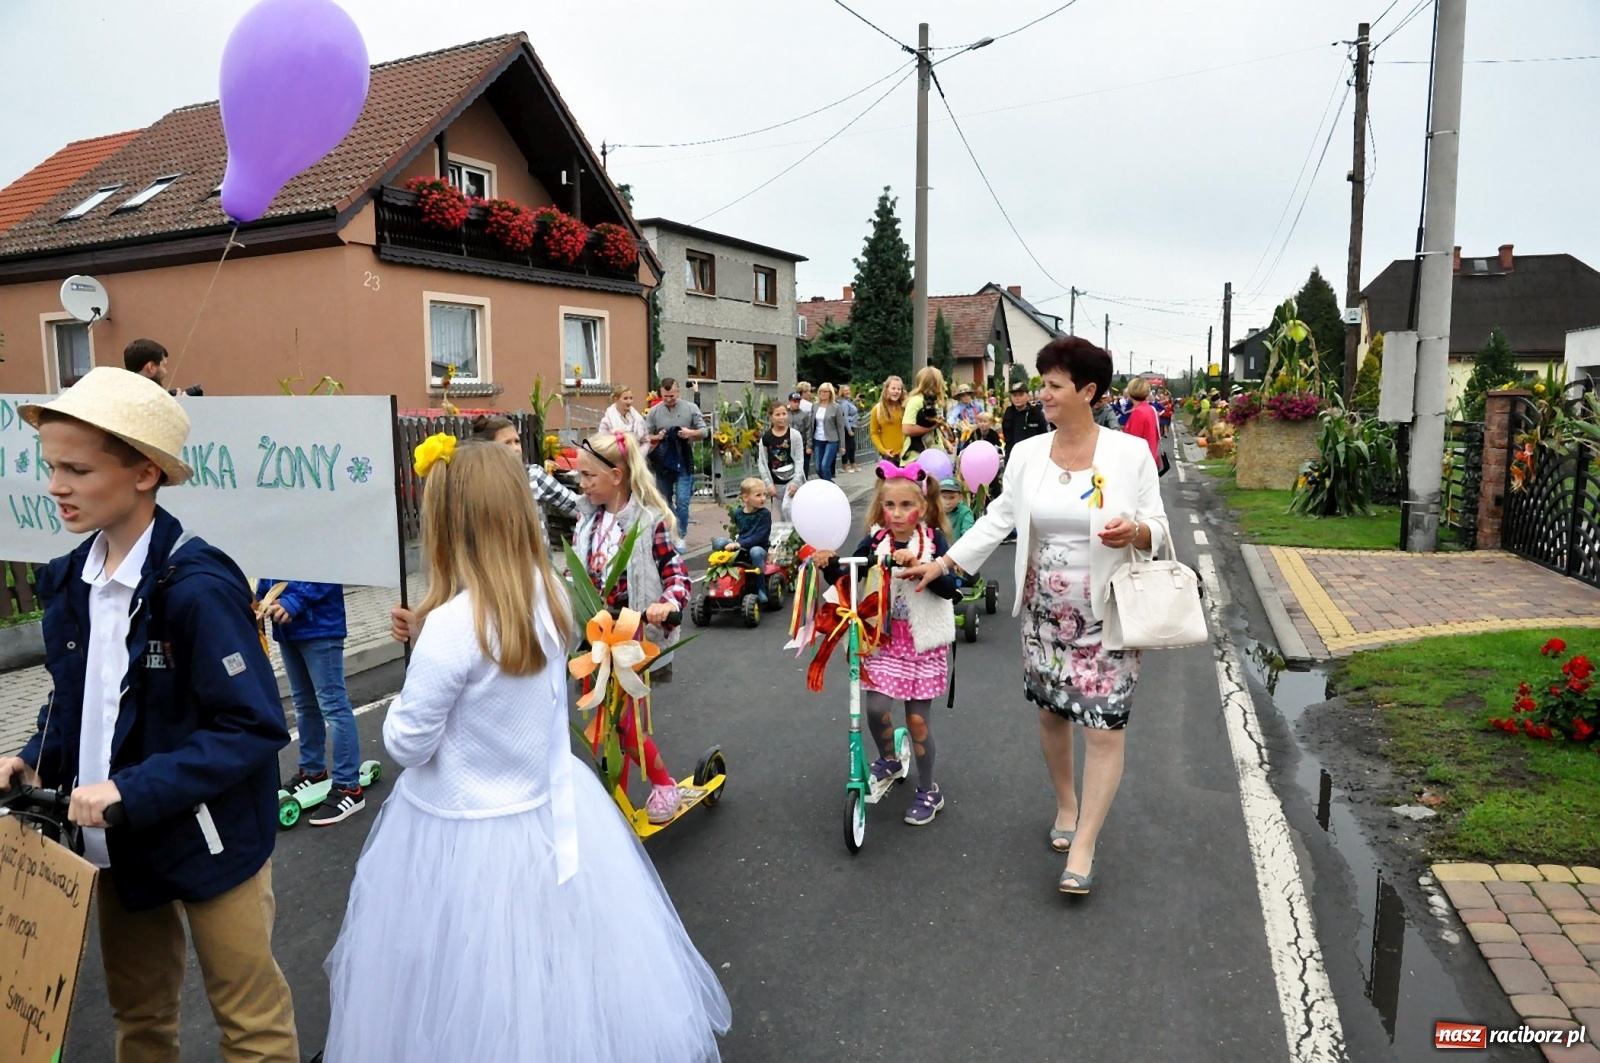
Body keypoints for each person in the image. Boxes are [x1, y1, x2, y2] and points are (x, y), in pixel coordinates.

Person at [324, 439, 730, 1062]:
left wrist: (418, 668)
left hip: (463, 827)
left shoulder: (454, 629)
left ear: (448, 525)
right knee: (549, 962)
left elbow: (407, 741)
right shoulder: (549, 596)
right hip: (546, 805)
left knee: (465, 974)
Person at [1, 367, 299, 1060]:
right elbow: (79, 698)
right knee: (139, 1018)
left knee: (250, 1026)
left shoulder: (198, 588)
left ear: (144, 472)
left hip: (212, 841)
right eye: (51, 467)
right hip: (118, 843)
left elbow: (254, 726)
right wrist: (35, 753)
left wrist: (131, 790)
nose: (56, 487)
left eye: (76, 468)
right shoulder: (74, 579)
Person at [901, 337, 1169, 895]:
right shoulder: (1026, 455)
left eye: (1053, 385)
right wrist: (944, 562)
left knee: (1104, 727)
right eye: (1042, 383)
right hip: (1045, 614)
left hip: (1108, 613)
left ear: (1088, 392)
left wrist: (1137, 532)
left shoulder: (1128, 454)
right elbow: (998, 519)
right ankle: (1066, 806)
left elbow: (1158, 527)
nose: (1042, 394)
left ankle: (1087, 842)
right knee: (1053, 715)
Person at [813, 462, 961, 825]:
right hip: (884, 640)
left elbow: (951, 590)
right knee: (876, 709)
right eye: (890, 506)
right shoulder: (875, 540)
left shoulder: (932, 541)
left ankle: (929, 789)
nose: (897, 514)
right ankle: (890, 760)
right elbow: (850, 576)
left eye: (906, 505)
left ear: (922, 508)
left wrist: (923, 565)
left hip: (922, 644)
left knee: (917, 720)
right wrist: (827, 563)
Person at [573, 430, 693, 823]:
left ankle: (663, 783)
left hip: (631, 636)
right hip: (596, 639)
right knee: (607, 724)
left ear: (616, 476)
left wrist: (666, 604)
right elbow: (579, 575)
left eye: (590, 476)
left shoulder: (649, 522)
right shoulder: (586, 523)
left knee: (622, 723)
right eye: (580, 476)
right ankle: (616, 800)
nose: (583, 484)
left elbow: (677, 576)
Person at [257, 578, 365, 825]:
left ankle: (349, 787)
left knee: (333, 706)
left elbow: (327, 569)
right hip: (288, 630)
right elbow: (271, 573)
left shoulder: (320, 538)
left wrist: (294, 600)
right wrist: (263, 597)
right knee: (304, 705)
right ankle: (313, 770)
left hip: (320, 628)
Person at [470, 414, 582, 546]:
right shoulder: (477, 484)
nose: (516, 448)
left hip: (536, 562)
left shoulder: (533, 475)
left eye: (517, 441)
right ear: (488, 449)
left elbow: (577, 506)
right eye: (507, 443)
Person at [644, 378, 707, 545]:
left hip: (684, 460)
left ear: (678, 392)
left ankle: (680, 534)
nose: (668, 399)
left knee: (683, 502)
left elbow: (704, 431)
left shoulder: (690, 408)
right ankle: (673, 529)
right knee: (663, 500)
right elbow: (644, 435)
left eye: (671, 396)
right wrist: (657, 436)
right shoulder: (654, 411)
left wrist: (689, 433)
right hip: (663, 462)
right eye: (665, 396)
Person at [712, 478, 774, 601]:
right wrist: (734, 542)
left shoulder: (765, 515)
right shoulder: (738, 513)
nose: (763, 498)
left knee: (755, 551)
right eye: (758, 495)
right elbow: (740, 531)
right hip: (741, 546)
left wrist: (738, 544)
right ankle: (718, 580)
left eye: (764, 495)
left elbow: (758, 537)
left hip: (759, 547)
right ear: (745, 498)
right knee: (719, 542)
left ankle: (760, 588)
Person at [757, 399, 806, 513]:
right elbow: (762, 462)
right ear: (771, 417)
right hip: (776, 481)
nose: (781, 417)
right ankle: (790, 531)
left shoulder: (794, 435)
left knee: (789, 508)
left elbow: (799, 459)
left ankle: (798, 529)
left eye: (784, 414)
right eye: (777, 414)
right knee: (782, 513)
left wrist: (796, 482)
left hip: (792, 478)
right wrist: (768, 484)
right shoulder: (766, 438)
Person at [901, 366, 951, 460]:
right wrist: (932, 427)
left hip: (935, 453)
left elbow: (933, 427)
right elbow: (907, 429)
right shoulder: (916, 401)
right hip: (918, 457)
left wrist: (945, 442)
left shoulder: (933, 400)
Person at [598, 383, 651, 453]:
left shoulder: (638, 419)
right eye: (625, 398)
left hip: (637, 459)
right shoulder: (607, 421)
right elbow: (602, 442)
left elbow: (646, 441)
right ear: (616, 399)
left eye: (631, 398)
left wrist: (640, 454)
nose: (629, 402)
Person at [811, 382, 848, 481]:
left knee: (824, 466)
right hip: (818, 439)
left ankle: (829, 488)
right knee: (818, 468)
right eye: (821, 391)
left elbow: (840, 427)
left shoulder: (836, 407)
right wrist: (809, 444)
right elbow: (811, 425)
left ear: (830, 393)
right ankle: (829, 483)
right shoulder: (815, 406)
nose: (823, 394)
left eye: (826, 392)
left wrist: (842, 445)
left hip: (831, 440)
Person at [1122, 377, 1162, 468]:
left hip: (1140, 463)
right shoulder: (1151, 409)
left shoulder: (1138, 412)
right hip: (1151, 459)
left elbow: (1133, 441)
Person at [868, 374, 906, 463]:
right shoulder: (877, 410)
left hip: (905, 455)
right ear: (887, 389)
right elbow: (874, 433)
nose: (896, 391)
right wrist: (883, 450)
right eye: (893, 388)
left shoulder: (905, 407)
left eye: (899, 389)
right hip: (888, 456)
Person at [1002, 380, 1050, 448]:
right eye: (1014, 395)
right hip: (1013, 452)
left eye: (1021, 395)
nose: (1017, 398)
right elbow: (1006, 434)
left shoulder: (1035, 412)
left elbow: (1043, 433)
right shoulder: (1009, 412)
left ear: (1027, 396)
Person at [787, 390, 815, 476]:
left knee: (803, 470)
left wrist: (809, 446)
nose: (796, 404)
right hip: (787, 446)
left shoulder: (804, 415)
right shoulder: (785, 414)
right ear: (790, 402)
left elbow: (808, 431)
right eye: (794, 402)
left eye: (798, 402)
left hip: (801, 446)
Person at [838, 383, 860, 473]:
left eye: (848, 390)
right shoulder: (843, 403)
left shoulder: (848, 401)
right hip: (848, 426)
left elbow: (851, 408)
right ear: (842, 392)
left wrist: (855, 400)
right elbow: (845, 417)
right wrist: (849, 429)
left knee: (852, 446)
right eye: (845, 390)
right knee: (847, 446)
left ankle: (853, 464)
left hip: (852, 425)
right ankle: (845, 466)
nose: (848, 392)